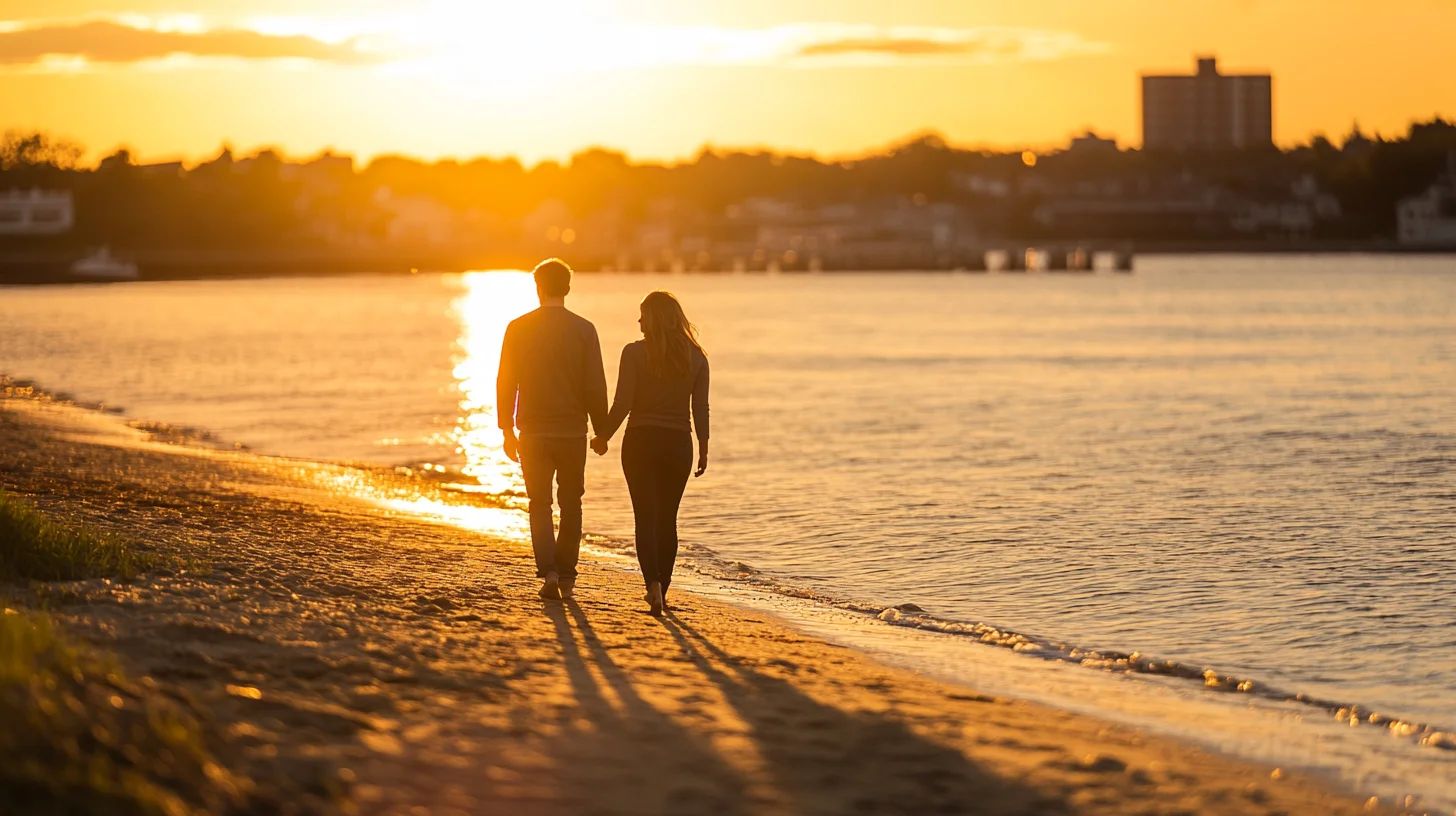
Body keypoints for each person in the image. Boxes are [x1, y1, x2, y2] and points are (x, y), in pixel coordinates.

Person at [591, 291, 709, 617]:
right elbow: (700, 408)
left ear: (654, 318)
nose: (639, 322)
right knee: (667, 520)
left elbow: (623, 403)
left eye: (643, 315)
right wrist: (704, 447)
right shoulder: (697, 358)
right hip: (678, 445)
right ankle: (664, 590)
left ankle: (652, 586)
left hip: (640, 442)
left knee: (645, 518)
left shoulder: (633, 353)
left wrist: (602, 436)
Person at [497, 258, 609, 601]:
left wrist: (506, 429)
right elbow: (595, 385)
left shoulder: (518, 327)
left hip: (533, 432)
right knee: (571, 502)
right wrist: (601, 431)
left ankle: (547, 571)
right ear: (569, 288)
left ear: (538, 287)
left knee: (539, 503)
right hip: (573, 432)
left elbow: (506, 382)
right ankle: (567, 574)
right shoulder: (584, 329)